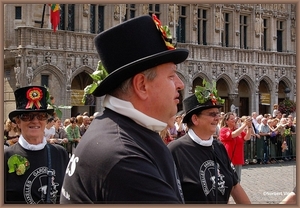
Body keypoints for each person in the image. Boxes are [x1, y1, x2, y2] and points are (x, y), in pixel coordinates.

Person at [60, 14, 189, 203]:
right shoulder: (124, 157)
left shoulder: (121, 131)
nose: (180, 84)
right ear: (142, 85)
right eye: (171, 76)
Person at [168, 81, 251, 204]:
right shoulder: (176, 149)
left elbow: (235, 186)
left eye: (217, 114)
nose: (217, 118)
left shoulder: (218, 146)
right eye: (212, 114)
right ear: (195, 119)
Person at [4, 86, 69, 204]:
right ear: (17, 121)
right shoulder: (5, 157)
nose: (35, 121)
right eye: (27, 116)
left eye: (41, 116)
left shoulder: (60, 153)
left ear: (46, 121)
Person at [219, 112, 252, 182]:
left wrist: (249, 127)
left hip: (238, 159)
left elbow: (247, 137)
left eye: (234, 118)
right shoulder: (223, 130)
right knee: (228, 179)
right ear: (226, 121)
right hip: (228, 159)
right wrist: (244, 124)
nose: (234, 120)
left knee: (237, 180)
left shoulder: (237, 130)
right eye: (231, 119)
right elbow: (233, 135)